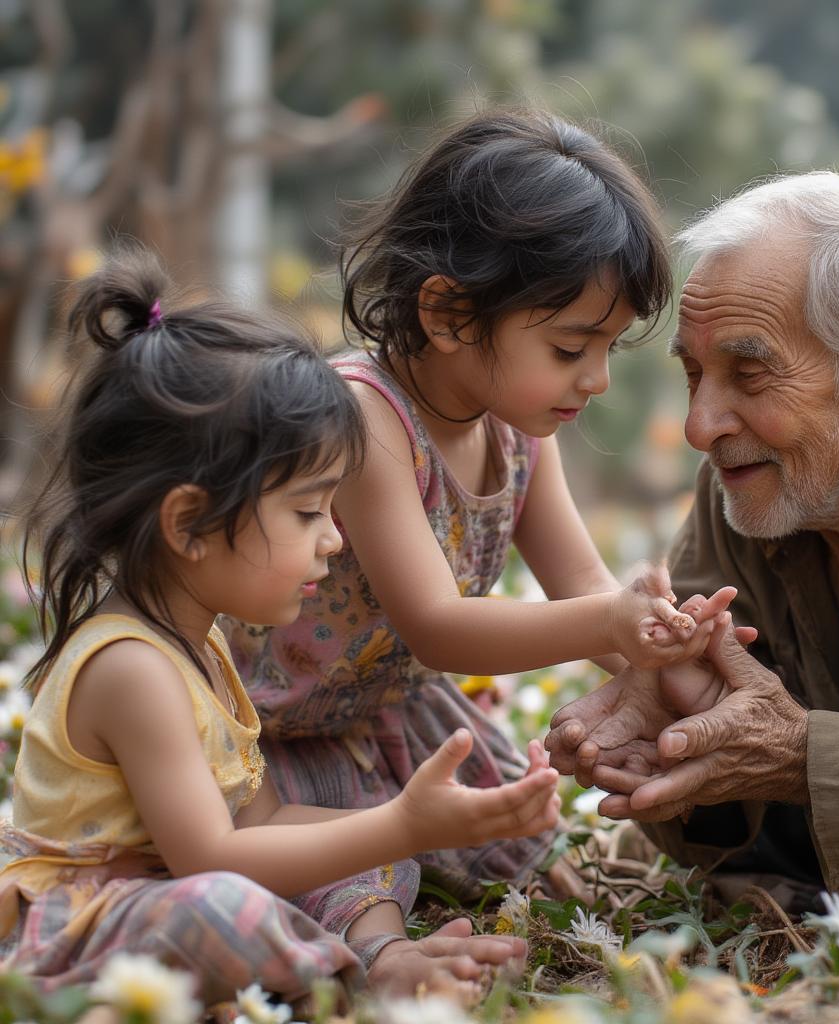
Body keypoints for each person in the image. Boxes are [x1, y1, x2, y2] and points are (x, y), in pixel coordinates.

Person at [0, 250, 563, 1010]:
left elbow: (260, 818)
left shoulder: (197, 646)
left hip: (171, 898)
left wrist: (408, 828)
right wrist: (401, 824)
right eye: (307, 513)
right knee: (228, 909)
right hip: (86, 922)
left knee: (354, 846)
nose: (333, 540)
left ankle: (372, 954)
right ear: (190, 523)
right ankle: (359, 978)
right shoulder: (132, 667)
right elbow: (212, 858)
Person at [224, 108, 734, 919]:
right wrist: (612, 622)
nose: (596, 379)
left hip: (392, 710)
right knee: (358, 886)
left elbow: (582, 585)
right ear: (450, 314)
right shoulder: (364, 418)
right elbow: (438, 625)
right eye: (571, 349)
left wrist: (675, 663)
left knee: (522, 843)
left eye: (609, 348)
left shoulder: (519, 433)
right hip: (274, 726)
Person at [547, 170, 839, 947]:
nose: (700, 426)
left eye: (750, 371)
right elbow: (733, 785)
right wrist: (672, 733)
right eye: (693, 373)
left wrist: (801, 758)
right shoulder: (752, 484)